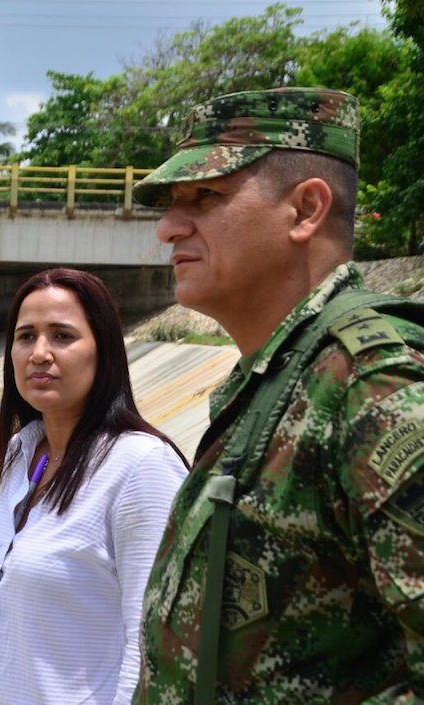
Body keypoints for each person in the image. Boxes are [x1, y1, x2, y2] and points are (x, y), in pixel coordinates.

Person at [131, 87, 424, 702]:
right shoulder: (276, 375)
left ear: (305, 210)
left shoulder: (374, 387)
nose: (167, 227)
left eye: (205, 196)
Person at [0, 268, 189, 705]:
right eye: (26, 336)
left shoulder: (140, 468)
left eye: (62, 336)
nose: (40, 353)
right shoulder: (23, 451)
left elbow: (151, 649)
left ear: (103, 351)